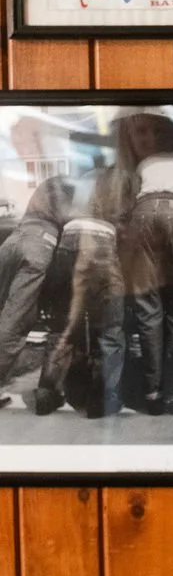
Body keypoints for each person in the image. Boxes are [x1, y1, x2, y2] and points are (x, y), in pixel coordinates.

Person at [119, 119, 173, 413]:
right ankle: (172, 391)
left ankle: (151, 392)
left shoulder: (147, 162)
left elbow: (132, 197)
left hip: (142, 218)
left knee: (148, 309)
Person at [34, 162, 136, 419]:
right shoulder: (122, 179)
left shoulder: (84, 179)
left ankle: (46, 392)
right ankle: (102, 398)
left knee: (62, 325)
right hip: (101, 243)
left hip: (68, 240)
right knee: (111, 328)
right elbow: (126, 220)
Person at [0, 175, 74, 409]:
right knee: (15, 321)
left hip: (13, 240)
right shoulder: (71, 189)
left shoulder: (48, 185)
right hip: (41, 243)